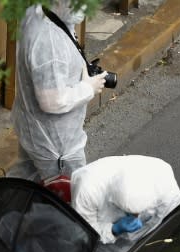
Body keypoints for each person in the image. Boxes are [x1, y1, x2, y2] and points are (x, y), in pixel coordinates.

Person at [10, 0, 107, 182]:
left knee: (24, 188)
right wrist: (88, 88)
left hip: (35, 131)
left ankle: (2, 207)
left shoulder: (39, 13)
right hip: (57, 145)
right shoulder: (49, 43)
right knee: (70, 199)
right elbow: (52, 101)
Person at [71, 155, 180, 252]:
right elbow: (84, 233)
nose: (135, 217)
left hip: (141, 243)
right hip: (101, 249)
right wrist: (113, 230)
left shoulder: (163, 180)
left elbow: (174, 219)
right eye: (127, 212)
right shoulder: (88, 189)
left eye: (138, 214)